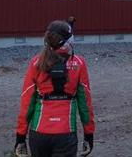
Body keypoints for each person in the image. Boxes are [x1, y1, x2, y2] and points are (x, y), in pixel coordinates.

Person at [14, 20, 95, 157]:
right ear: (68, 41)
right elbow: (85, 105)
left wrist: (20, 137)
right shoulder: (79, 63)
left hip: (39, 133)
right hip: (66, 133)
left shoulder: (36, 63)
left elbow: (27, 104)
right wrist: (89, 134)